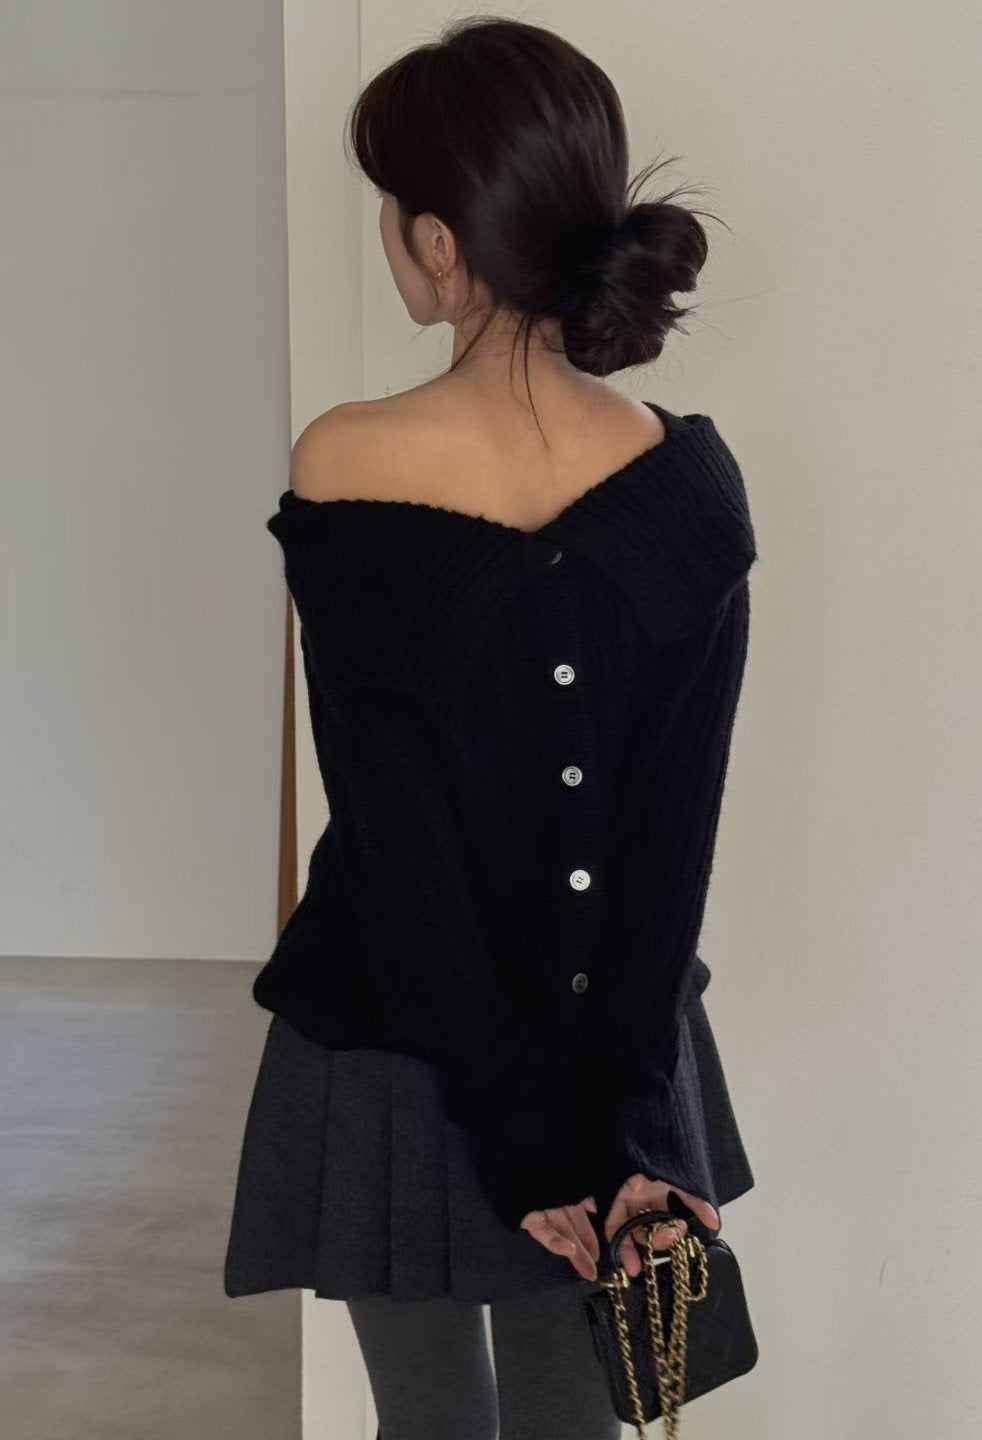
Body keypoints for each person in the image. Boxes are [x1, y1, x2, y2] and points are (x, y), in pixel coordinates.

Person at [224, 14, 758, 1439]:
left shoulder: (347, 460)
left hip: (391, 1049)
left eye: (389, 207)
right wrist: (616, 1119)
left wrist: (519, 1132)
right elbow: (671, 844)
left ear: (439, 241)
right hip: (613, 1052)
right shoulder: (687, 484)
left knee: (429, 1432)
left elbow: (394, 836)